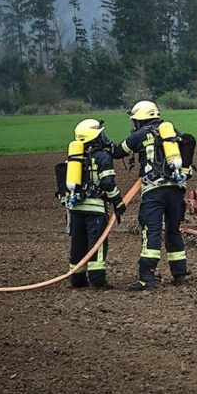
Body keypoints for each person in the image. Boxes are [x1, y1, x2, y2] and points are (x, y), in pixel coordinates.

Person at [112, 100, 193, 291]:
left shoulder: (139, 135)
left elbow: (118, 152)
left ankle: (146, 279)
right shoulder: (172, 131)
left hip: (154, 191)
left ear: (140, 120)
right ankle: (180, 276)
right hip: (176, 189)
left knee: (152, 232)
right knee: (174, 231)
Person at [64, 118, 127, 289]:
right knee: (97, 243)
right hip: (95, 209)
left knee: (78, 243)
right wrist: (118, 202)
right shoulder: (102, 156)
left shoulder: (74, 157)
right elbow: (107, 183)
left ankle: (77, 279)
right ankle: (97, 281)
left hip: (75, 208)